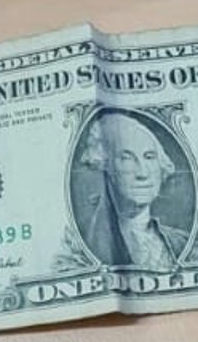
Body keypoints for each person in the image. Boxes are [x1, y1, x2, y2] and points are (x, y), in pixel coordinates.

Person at [74, 110, 191, 269]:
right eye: (126, 158)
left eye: (149, 157)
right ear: (105, 164)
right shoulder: (88, 244)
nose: (142, 173)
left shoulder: (182, 241)